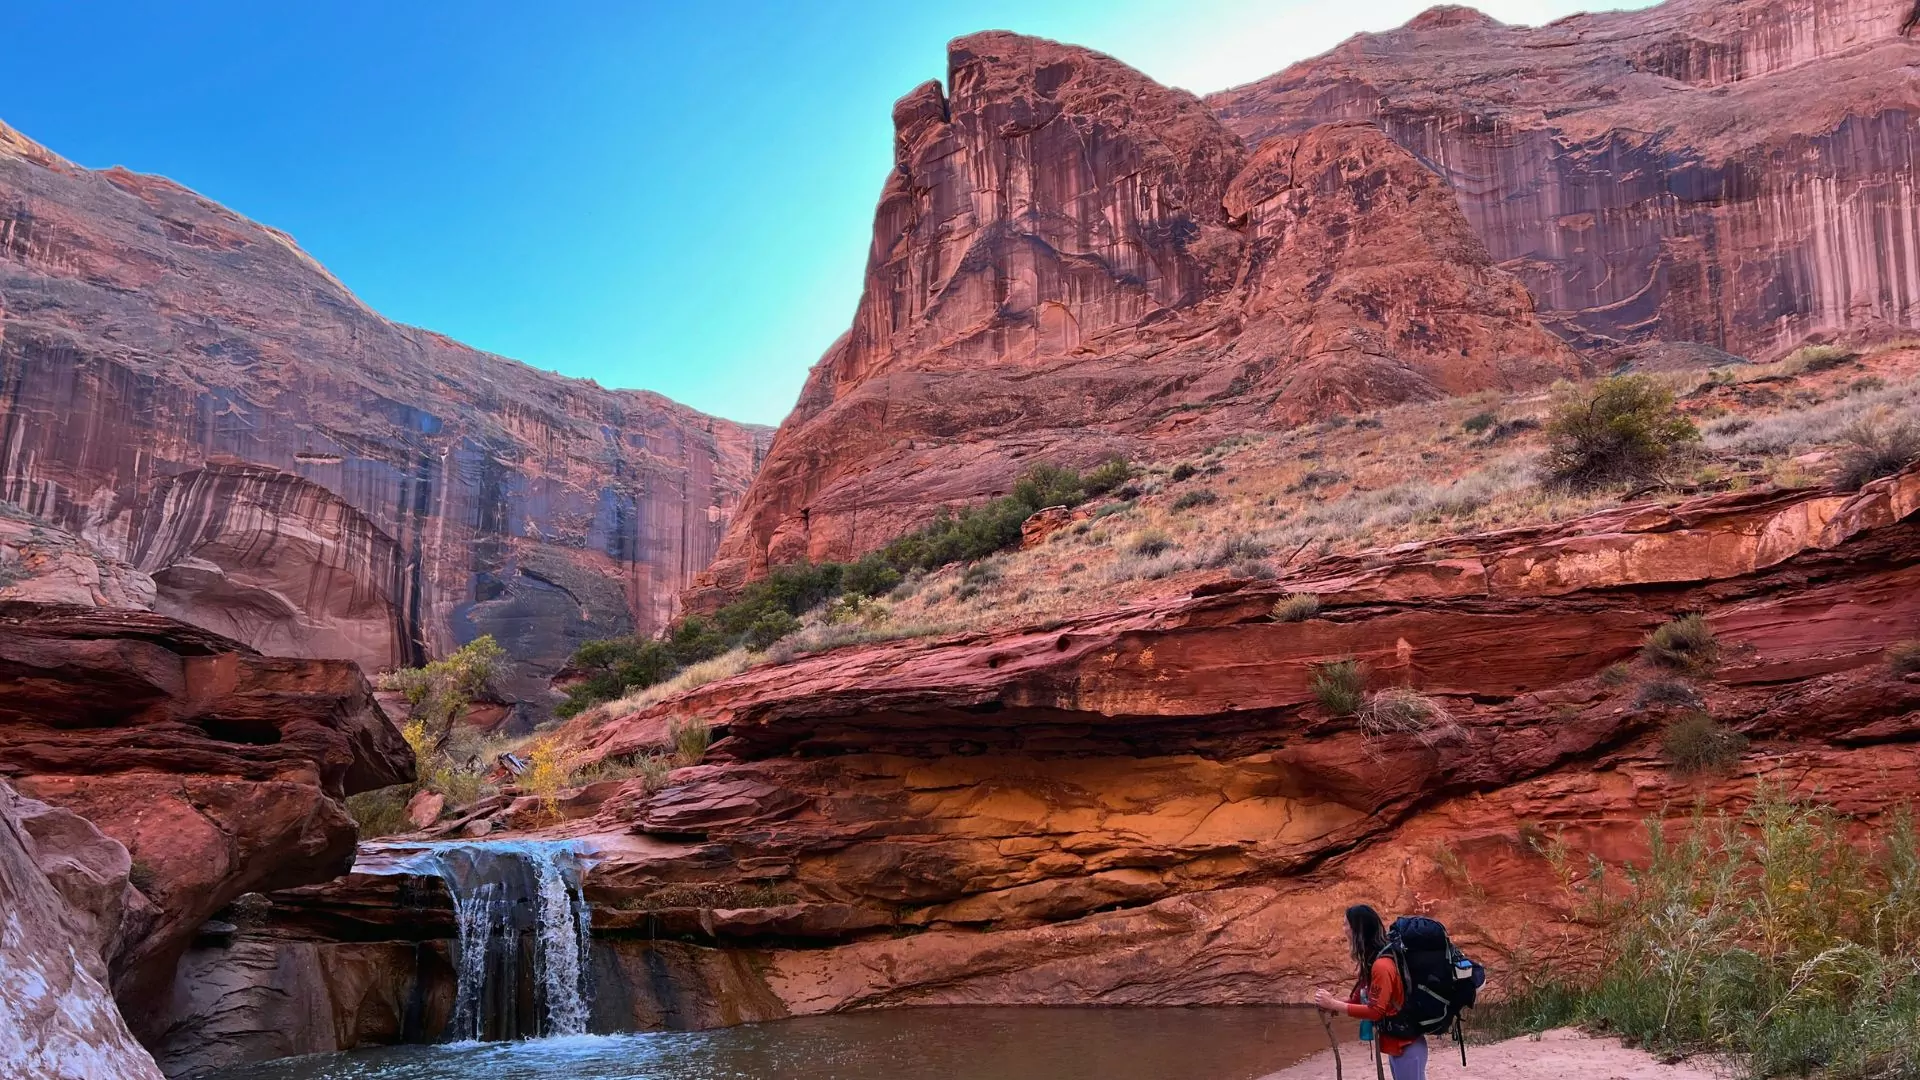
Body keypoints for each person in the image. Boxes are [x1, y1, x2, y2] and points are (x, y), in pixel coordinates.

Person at [1312, 904, 1428, 1080]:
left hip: (1408, 1045)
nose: (1344, 930)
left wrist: (1334, 1004)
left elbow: (1375, 1011)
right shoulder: (1372, 962)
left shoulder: (1381, 966)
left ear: (1358, 929)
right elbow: (1359, 1001)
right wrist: (1332, 1005)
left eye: (1346, 924)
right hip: (1398, 1044)